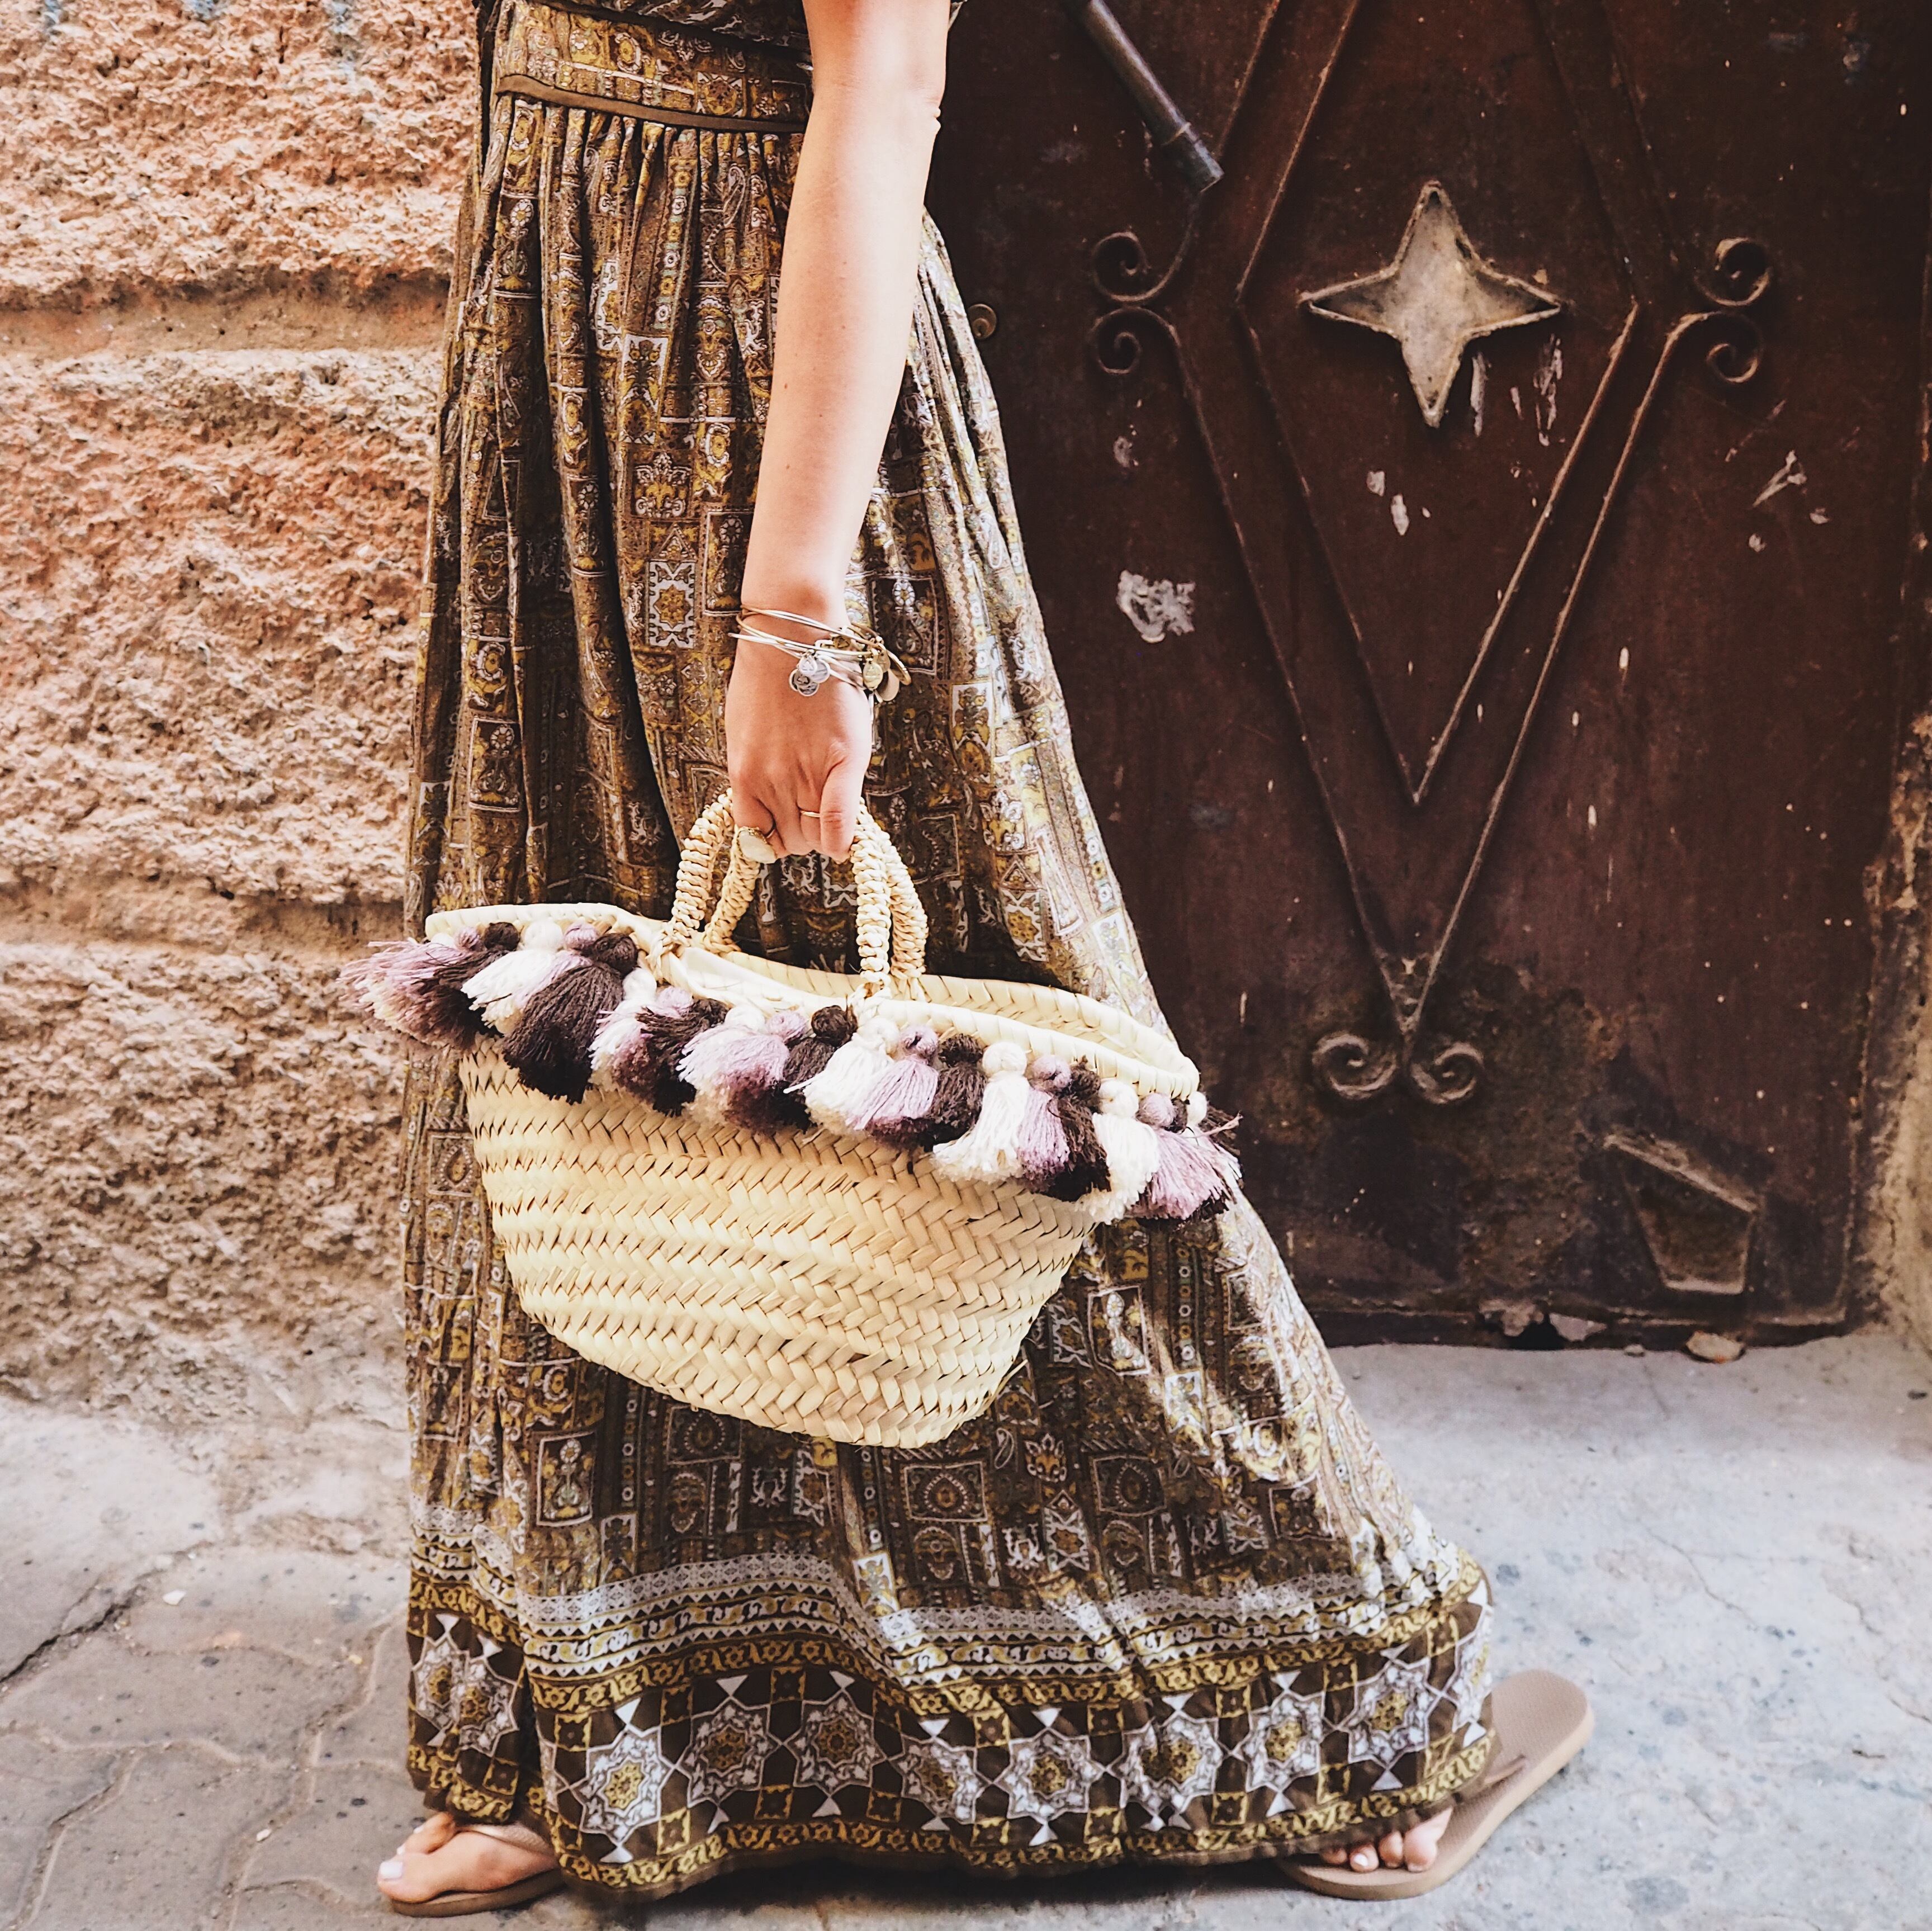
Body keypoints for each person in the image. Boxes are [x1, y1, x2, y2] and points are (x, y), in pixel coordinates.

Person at [373, 0, 1566, 1913]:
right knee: (582, 1069)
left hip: (752, 399)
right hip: (555, 354)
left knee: (983, 1069)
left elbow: (885, 87)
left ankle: (1326, 1678)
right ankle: (587, 1715)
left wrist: (797, 619)